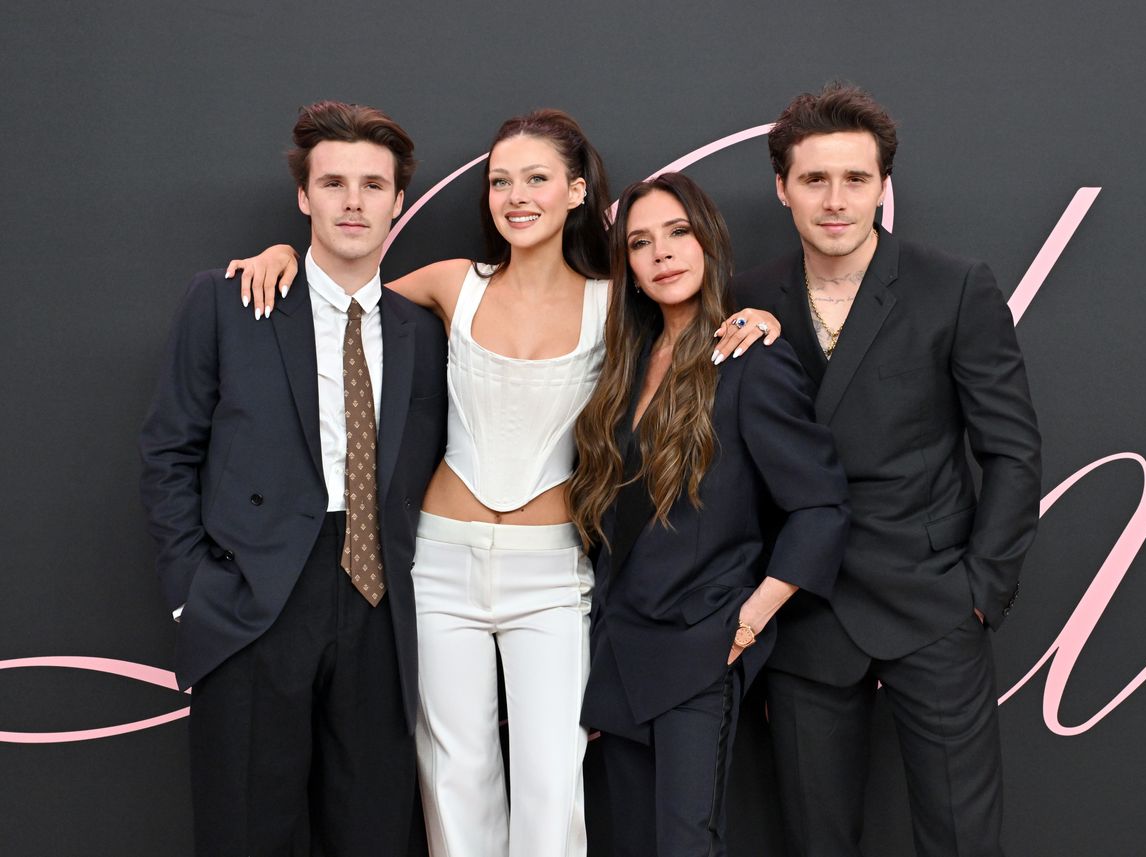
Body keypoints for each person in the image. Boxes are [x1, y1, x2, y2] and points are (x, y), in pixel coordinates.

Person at [226, 110, 783, 857]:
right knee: (455, 778)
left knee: (554, 780)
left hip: (553, 572)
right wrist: (281, 256)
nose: (516, 195)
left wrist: (756, 313)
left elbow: (690, 303)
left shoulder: (613, 298)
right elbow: (347, 286)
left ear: (577, 190)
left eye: (537, 178)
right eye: (500, 181)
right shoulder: (456, 283)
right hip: (442, 565)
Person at [731, 83, 1042, 857]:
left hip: (932, 600)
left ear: (882, 186)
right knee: (817, 842)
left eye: (856, 179)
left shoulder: (954, 285)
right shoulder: (744, 297)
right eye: (814, 179)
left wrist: (980, 590)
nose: (835, 200)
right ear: (782, 186)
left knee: (962, 840)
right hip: (807, 611)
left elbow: (1011, 449)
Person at [140, 100, 447, 855]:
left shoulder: (423, 331)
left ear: (399, 200)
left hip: (382, 599)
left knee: (373, 829)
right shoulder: (228, 301)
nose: (353, 201)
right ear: (304, 197)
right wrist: (192, 595)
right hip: (257, 596)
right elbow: (168, 450)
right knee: (248, 829)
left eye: (373, 185)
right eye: (334, 182)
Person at [567, 172, 849, 857]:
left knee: (686, 845)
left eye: (678, 233)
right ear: (627, 268)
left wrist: (750, 619)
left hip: (701, 645)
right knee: (631, 842)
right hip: (623, 650)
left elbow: (821, 506)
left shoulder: (752, 356)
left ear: (708, 242)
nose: (661, 253)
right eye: (640, 242)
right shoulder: (624, 366)